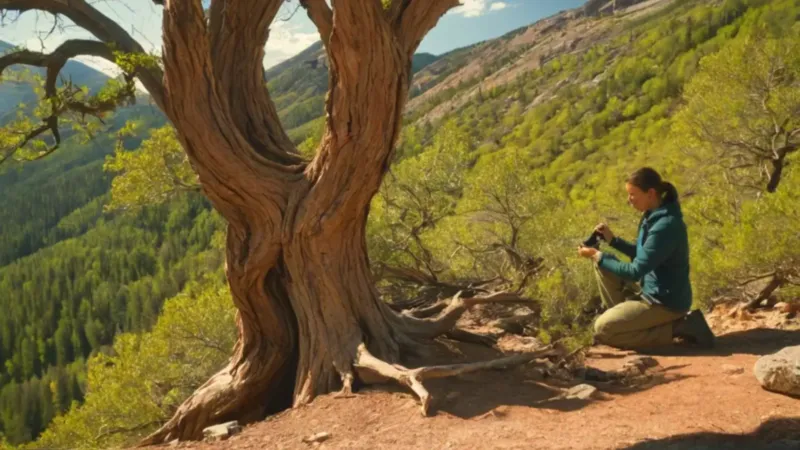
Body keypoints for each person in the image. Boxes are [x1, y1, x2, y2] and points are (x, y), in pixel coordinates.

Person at [578, 167, 715, 350]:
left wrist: (596, 255)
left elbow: (636, 271)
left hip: (665, 303)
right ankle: (627, 321)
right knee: (603, 264)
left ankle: (678, 328)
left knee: (603, 330)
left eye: (633, 195)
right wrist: (612, 240)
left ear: (650, 193)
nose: (629, 200)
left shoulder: (665, 225)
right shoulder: (652, 216)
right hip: (651, 290)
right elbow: (645, 256)